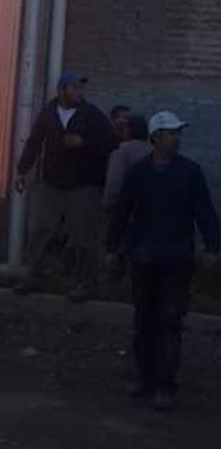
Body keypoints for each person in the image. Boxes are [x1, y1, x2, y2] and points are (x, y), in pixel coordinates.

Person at [106, 111, 220, 412]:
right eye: (170, 133)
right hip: (143, 257)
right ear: (155, 138)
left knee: (170, 322)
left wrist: (212, 246)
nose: (176, 138)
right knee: (144, 320)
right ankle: (144, 379)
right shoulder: (138, 174)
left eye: (178, 133)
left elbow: (204, 211)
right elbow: (122, 212)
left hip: (177, 259)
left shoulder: (190, 173)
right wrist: (111, 246)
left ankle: (165, 386)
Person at [15, 72, 113, 301]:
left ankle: (85, 283)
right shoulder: (48, 114)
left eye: (81, 88)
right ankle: (33, 276)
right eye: (75, 88)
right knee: (39, 230)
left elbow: (110, 141)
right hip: (51, 184)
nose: (80, 92)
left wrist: (84, 142)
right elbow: (34, 142)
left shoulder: (92, 115)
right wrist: (22, 171)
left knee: (83, 237)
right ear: (62, 90)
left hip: (83, 186)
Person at [103, 115, 151, 211]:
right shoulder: (152, 150)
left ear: (129, 130)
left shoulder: (121, 151)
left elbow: (114, 182)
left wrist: (107, 203)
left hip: (126, 207)